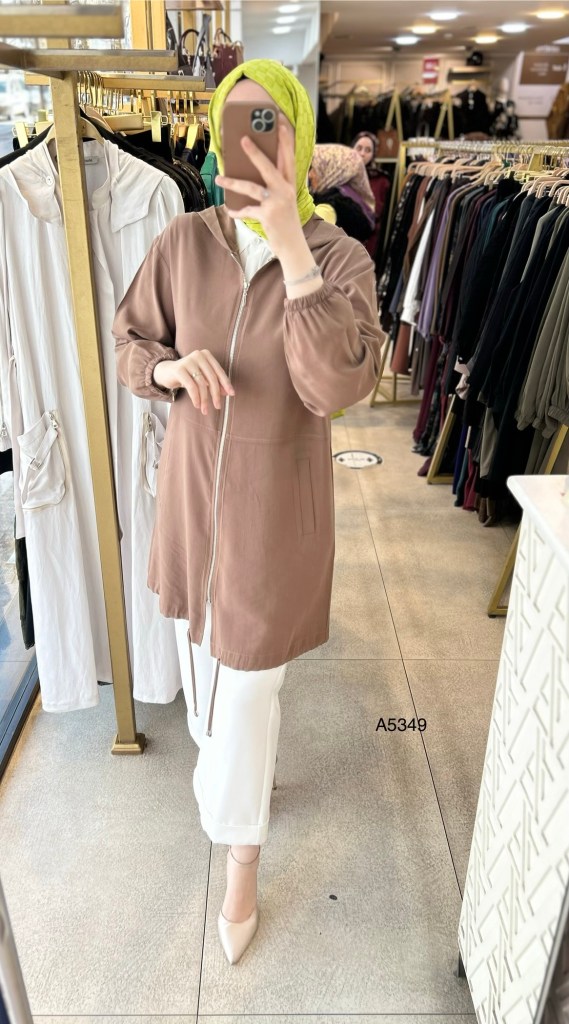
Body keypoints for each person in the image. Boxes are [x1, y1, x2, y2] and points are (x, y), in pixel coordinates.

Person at [111, 59, 382, 966]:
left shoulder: (340, 258)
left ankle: (240, 863)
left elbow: (334, 385)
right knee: (209, 692)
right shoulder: (184, 241)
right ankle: (239, 772)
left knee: (251, 685)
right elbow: (129, 337)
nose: (256, 140)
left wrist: (294, 252)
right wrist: (165, 368)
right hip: (191, 507)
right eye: (241, 120)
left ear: (300, 137)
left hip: (276, 522)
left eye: (274, 122)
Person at [308, 143, 375, 245]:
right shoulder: (351, 195)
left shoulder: (332, 203)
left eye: (313, 168)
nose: (310, 175)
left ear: (329, 168)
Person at [352, 131, 391, 260]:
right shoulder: (340, 176)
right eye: (359, 148)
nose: (362, 153)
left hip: (367, 241)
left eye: (368, 150)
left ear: (373, 154)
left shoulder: (381, 181)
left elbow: (379, 214)